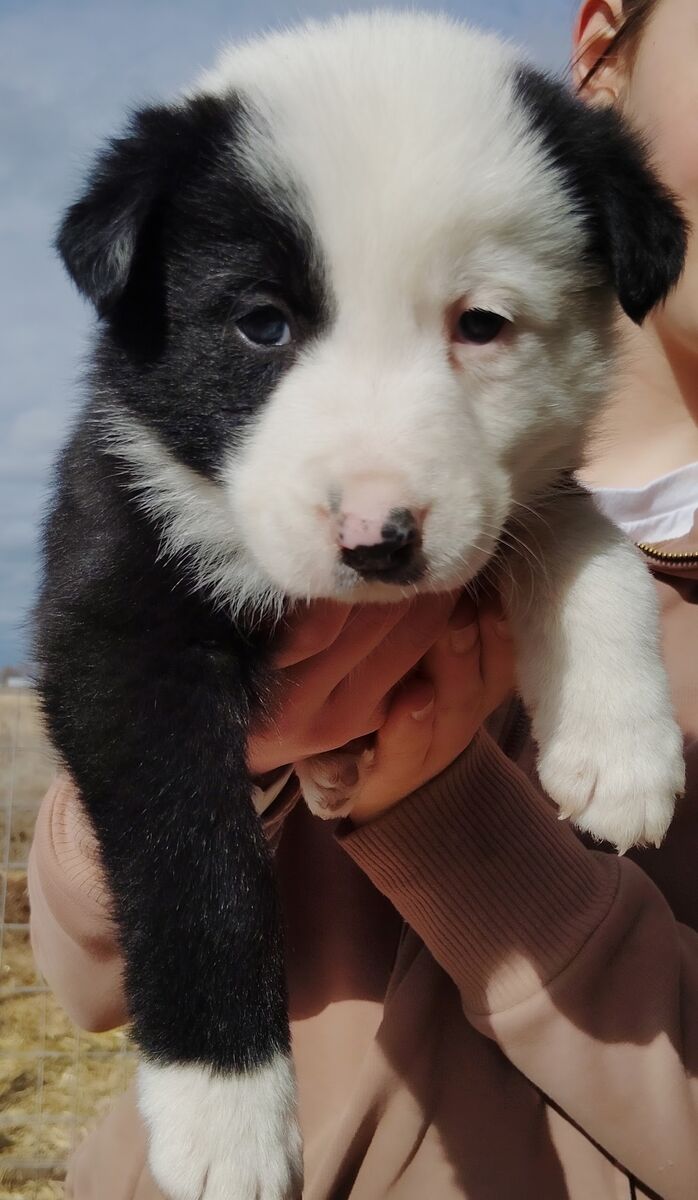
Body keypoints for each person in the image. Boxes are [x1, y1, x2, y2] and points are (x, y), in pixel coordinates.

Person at [27, 0, 698, 1195]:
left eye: (479, 324)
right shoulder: (155, 499)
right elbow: (82, 972)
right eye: (265, 322)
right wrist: (212, 1037)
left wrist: (447, 804)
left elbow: (560, 519)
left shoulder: (557, 517)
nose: (374, 506)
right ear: (604, 47)